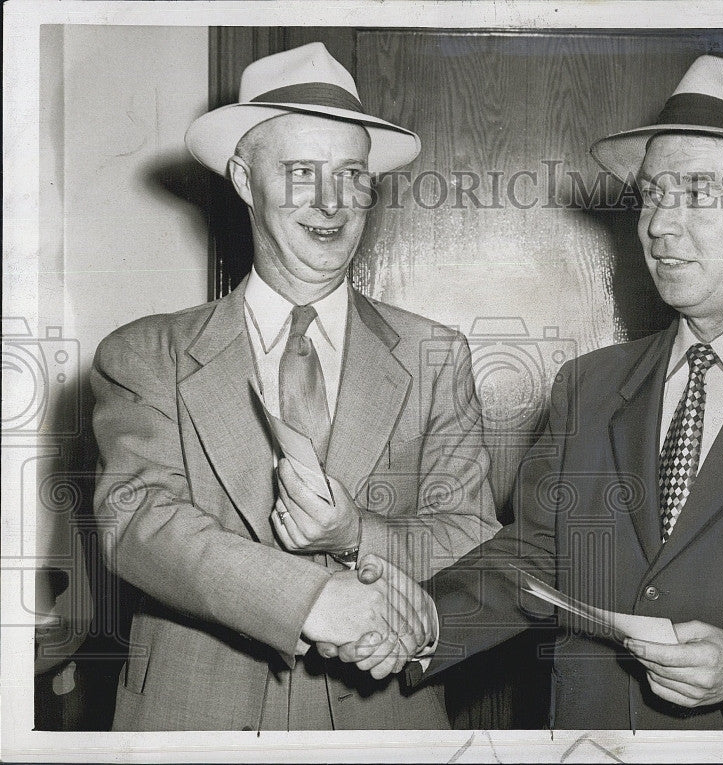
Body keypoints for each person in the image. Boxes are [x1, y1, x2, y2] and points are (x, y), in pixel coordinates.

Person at [358, 55, 723, 730]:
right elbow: (533, 560)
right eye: (652, 194)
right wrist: (424, 618)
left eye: (697, 192)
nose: (659, 225)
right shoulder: (589, 386)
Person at [90, 42, 500, 731]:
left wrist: (356, 532)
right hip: (194, 722)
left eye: (351, 174)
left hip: (384, 725)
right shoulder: (145, 353)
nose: (332, 202)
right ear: (246, 180)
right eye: (303, 172)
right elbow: (139, 521)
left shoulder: (437, 355)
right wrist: (312, 600)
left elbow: (472, 541)